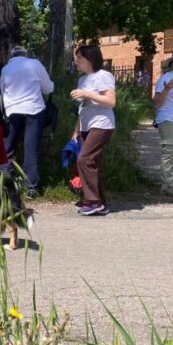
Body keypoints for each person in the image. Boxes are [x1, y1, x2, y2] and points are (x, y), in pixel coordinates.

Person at [0, 45, 54, 197]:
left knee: (8, 148)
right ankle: (32, 187)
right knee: (30, 149)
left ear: (11, 56)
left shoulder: (6, 69)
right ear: (25, 54)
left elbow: (2, 91)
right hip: (34, 109)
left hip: (13, 110)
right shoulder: (35, 64)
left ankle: (5, 184)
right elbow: (48, 88)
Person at [70, 44, 116, 216]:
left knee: (85, 159)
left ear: (90, 59)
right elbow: (83, 109)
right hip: (87, 125)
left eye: (79, 58)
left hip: (102, 124)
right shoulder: (83, 80)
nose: (76, 61)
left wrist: (87, 94)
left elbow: (111, 102)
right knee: (92, 162)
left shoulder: (103, 76)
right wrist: (76, 130)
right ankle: (100, 202)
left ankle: (93, 201)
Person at [153, 55, 173, 196]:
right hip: (169, 118)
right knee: (169, 152)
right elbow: (156, 102)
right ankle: (168, 186)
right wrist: (167, 89)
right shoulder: (166, 78)